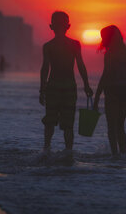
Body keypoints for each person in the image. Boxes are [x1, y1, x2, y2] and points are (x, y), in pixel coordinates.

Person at [39, 11, 93, 157]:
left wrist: (42, 89)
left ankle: (46, 150)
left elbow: (45, 68)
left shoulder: (48, 46)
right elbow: (81, 65)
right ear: (68, 26)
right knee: (68, 123)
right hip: (69, 87)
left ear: (51, 26)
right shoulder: (74, 44)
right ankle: (68, 153)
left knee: (50, 121)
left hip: (53, 87)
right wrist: (86, 85)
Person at [93, 25, 126, 156]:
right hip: (123, 92)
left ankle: (116, 155)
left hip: (115, 92)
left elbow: (105, 76)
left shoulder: (113, 54)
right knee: (119, 126)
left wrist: (97, 98)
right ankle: (121, 155)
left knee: (113, 126)